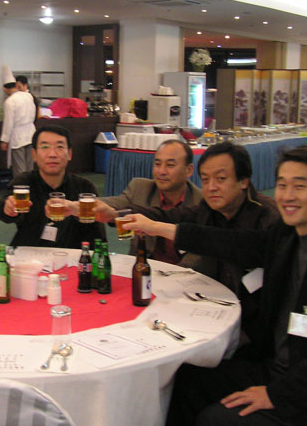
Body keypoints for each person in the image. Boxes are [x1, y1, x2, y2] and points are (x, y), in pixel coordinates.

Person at [123, 145, 307, 426]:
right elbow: (230, 242)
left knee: (216, 422)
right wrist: (158, 227)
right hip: (274, 367)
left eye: (300, 186)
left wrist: (276, 394)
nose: (287, 196)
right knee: (186, 380)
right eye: (282, 185)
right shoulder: (287, 235)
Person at [94, 141, 279, 342]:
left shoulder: (267, 215)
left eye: (221, 179)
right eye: (206, 179)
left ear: (243, 181)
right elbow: (169, 215)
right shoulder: (209, 209)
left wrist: (158, 228)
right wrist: (115, 215)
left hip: (256, 326)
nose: (211, 187)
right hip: (215, 306)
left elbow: (228, 242)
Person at [0, 124, 106, 248]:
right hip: (30, 253)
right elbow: (3, 209)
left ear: (69, 154)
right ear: (34, 155)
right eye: (45, 147)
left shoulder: (84, 187)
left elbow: (97, 233)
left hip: (71, 254)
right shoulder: (24, 183)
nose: (52, 154)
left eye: (59, 147)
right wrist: (8, 208)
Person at [97, 139, 202, 259]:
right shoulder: (140, 188)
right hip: (142, 267)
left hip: (186, 270)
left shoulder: (201, 201)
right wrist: (91, 205)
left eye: (170, 165)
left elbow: (200, 258)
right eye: (157, 164)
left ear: (189, 170)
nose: (161, 171)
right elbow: (115, 204)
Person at [0, 65, 36, 177]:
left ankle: (21, 186)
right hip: (31, 134)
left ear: (5, 89)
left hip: (18, 137)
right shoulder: (29, 96)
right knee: (30, 166)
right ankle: (31, 185)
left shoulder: (10, 101)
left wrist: (4, 140)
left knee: (20, 168)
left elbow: (8, 122)